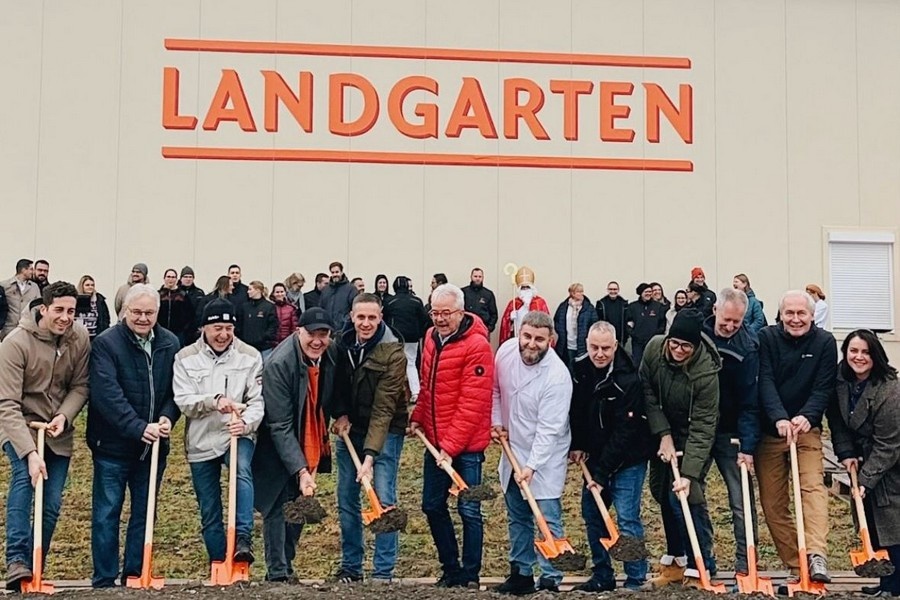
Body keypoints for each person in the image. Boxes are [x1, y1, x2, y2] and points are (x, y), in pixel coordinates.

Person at [87, 284, 181, 588]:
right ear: (125, 311)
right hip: (112, 446)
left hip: (153, 449)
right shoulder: (106, 344)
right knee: (107, 513)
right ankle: (104, 579)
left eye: (149, 313)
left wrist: (168, 416)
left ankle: (135, 575)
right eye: (136, 312)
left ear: (157, 313)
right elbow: (107, 395)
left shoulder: (170, 343)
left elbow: (176, 390)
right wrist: (139, 427)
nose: (143, 318)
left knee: (145, 512)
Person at [0, 282, 89, 591]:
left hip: (57, 430)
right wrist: (29, 453)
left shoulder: (79, 338)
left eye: (71, 311)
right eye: (59, 310)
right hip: (20, 426)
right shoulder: (15, 343)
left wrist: (64, 416)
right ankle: (16, 560)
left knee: (50, 503)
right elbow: (7, 404)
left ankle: (35, 564)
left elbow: (81, 385)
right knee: (25, 482)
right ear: (43, 308)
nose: (65, 317)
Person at [409, 284, 493, 588]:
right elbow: (428, 386)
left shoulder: (477, 346)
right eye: (435, 313)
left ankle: (470, 574)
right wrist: (418, 417)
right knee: (432, 505)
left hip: (467, 446)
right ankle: (451, 568)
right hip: (436, 443)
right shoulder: (431, 338)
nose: (440, 319)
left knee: (469, 508)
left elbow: (473, 403)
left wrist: (451, 447)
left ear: (461, 311)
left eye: (446, 313)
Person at [173, 298, 264, 566]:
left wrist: (245, 423)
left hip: (236, 433)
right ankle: (218, 560)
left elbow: (257, 401)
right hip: (201, 439)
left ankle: (243, 538)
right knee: (208, 505)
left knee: (241, 470)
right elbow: (183, 400)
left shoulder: (250, 356)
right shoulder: (185, 358)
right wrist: (213, 401)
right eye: (217, 329)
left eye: (229, 328)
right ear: (204, 328)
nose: (223, 335)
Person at [757, 290, 836, 583]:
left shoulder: (825, 342)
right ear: (780, 315)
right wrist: (778, 416)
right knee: (773, 504)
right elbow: (764, 380)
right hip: (771, 432)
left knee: (812, 489)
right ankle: (797, 563)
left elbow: (823, 386)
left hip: (806, 430)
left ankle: (816, 555)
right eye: (789, 313)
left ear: (812, 316)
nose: (795, 319)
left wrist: (807, 416)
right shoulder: (766, 338)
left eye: (801, 313)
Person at [253, 307, 337, 582]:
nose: (317, 341)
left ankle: (287, 565)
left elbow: (334, 391)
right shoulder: (280, 364)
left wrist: (342, 414)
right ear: (299, 331)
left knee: (300, 503)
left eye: (323, 335)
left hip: (308, 433)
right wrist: (300, 469)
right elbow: (279, 425)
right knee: (278, 505)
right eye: (312, 334)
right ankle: (277, 572)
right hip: (275, 441)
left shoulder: (330, 353)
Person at [570, 321, 655, 591]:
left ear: (615, 346)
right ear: (587, 345)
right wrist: (578, 444)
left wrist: (602, 474)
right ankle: (602, 574)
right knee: (593, 513)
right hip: (595, 456)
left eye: (606, 348)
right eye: (594, 347)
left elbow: (625, 432)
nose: (600, 354)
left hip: (628, 458)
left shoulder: (628, 379)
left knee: (627, 517)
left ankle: (636, 578)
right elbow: (577, 411)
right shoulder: (580, 370)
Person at [492, 311, 573, 594]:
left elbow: (549, 430)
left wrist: (532, 466)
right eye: (527, 336)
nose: (531, 343)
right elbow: (495, 391)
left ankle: (551, 577)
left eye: (539, 339)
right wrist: (497, 422)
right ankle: (521, 573)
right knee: (518, 516)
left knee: (546, 516)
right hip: (513, 448)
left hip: (545, 457)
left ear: (551, 340)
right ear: (519, 334)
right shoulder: (505, 353)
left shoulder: (557, 377)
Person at [331, 293, 409, 583]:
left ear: (381, 318)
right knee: (346, 496)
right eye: (361, 317)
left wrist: (370, 456)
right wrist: (340, 413)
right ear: (352, 317)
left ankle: (383, 571)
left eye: (372, 317)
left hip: (386, 429)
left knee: (383, 497)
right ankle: (351, 566)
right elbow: (336, 385)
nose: (366, 323)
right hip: (351, 428)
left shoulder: (393, 353)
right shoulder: (341, 344)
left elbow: (384, 409)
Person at [641, 308, 721, 587]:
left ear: (695, 346)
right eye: (674, 343)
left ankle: (703, 565)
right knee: (662, 492)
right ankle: (676, 561)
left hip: (692, 436)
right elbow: (647, 393)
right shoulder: (654, 349)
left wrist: (688, 473)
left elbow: (704, 425)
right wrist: (663, 433)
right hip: (663, 430)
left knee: (686, 495)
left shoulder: (706, 373)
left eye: (686, 346)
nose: (678, 349)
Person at [828, 330, 900, 597]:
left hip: (891, 463)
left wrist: (865, 481)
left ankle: (895, 585)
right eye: (853, 351)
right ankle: (886, 583)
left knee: (892, 522)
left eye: (865, 352)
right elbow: (836, 419)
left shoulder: (890, 392)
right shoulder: (841, 380)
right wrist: (846, 452)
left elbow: (888, 445)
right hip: (861, 456)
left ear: (875, 356)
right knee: (870, 520)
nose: (859, 357)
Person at [698, 289, 760, 574]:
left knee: (741, 498)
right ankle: (701, 558)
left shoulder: (749, 347)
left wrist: (747, 446)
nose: (731, 326)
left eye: (737, 321)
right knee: (690, 493)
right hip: (698, 429)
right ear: (715, 311)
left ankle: (746, 562)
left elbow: (750, 401)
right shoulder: (697, 336)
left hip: (731, 430)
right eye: (726, 319)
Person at [383, 276, 428, 403]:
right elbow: (424, 319)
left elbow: (384, 320)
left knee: (394, 364)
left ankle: (394, 393)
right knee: (411, 363)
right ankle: (416, 392)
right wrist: (419, 333)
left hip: (395, 337)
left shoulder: (390, 302)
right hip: (412, 338)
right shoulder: (416, 301)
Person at [552, 283, 597, 372]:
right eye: (578, 292)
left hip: (583, 345)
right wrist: (561, 332)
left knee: (582, 369)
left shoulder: (588, 307)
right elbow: (557, 320)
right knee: (569, 368)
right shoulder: (563, 307)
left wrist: (587, 336)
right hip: (567, 344)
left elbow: (594, 323)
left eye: (582, 291)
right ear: (572, 293)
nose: (581, 294)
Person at [499, 267, 550, 343]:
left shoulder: (540, 302)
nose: (525, 290)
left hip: (535, 338)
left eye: (527, 287)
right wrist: (511, 320)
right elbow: (506, 326)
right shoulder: (513, 303)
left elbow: (546, 323)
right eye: (523, 288)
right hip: (518, 337)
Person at [626, 283, 666, 367]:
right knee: (637, 365)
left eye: (650, 292)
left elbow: (662, 324)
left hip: (653, 343)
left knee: (654, 364)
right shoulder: (632, 307)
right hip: (638, 343)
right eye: (646, 292)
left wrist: (655, 335)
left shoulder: (658, 306)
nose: (648, 294)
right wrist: (635, 335)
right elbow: (628, 323)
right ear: (641, 293)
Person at [1, 259, 41, 340]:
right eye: (31, 269)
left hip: (27, 330)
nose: (33, 272)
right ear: (23, 270)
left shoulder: (34, 287)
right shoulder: (5, 285)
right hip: (8, 329)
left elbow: (38, 306)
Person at [239, 281, 277, 360]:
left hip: (264, 347)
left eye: (250, 289)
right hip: (247, 347)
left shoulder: (269, 306)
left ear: (258, 290)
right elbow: (240, 325)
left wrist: (263, 338)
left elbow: (273, 326)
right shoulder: (244, 307)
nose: (248, 292)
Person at [158, 268, 194, 346]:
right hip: (161, 331)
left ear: (177, 279)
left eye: (173, 277)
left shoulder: (183, 295)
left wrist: (185, 330)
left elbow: (190, 315)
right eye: (168, 277)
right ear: (164, 278)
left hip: (179, 333)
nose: (171, 279)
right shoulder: (158, 295)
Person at [319, 262, 358, 329]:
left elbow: (355, 308)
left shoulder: (351, 289)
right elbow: (321, 308)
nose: (335, 274)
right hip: (328, 328)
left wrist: (345, 321)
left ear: (341, 272)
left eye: (337, 272)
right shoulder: (326, 290)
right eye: (333, 272)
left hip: (345, 328)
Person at [462, 268, 498, 334]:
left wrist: (489, 328)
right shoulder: (463, 292)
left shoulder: (488, 294)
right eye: (475, 276)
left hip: (483, 329)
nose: (477, 279)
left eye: (480, 276)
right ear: (471, 277)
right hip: (466, 330)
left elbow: (494, 314)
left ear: (483, 278)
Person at [75, 275, 111, 340]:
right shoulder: (75, 299)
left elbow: (105, 317)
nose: (90, 287)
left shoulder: (99, 299)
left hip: (95, 335)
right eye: (87, 285)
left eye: (92, 285)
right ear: (82, 286)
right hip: (79, 336)